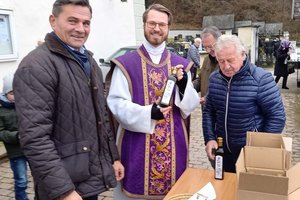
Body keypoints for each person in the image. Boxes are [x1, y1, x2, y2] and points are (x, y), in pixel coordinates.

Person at [13, 0, 124, 200]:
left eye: (86, 23)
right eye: (72, 21)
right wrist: (64, 191)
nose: (80, 29)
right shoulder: (36, 66)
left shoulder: (89, 62)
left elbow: (102, 118)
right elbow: (35, 138)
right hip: (63, 189)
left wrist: (113, 158)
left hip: (88, 181)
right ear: (53, 21)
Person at [106, 4, 199, 199]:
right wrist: (148, 113)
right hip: (137, 146)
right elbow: (116, 104)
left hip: (174, 146)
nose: (157, 28)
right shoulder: (126, 64)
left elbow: (189, 106)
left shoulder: (180, 64)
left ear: (168, 28)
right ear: (144, 25)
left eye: (162, 25)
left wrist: (182, 88)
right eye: (152, 23)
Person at [203, 34, 286, 173]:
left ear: (242, 54)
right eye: (221, 61)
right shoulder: (215, 79)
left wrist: (259, 148)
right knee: (224, 191)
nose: (226, 66)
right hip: (222, 151)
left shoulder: (261, 79)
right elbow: (209, 111)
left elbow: (277, 117)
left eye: (230, 60)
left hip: (248, 154)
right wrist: (209, 138)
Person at [0, 73, 29, 200]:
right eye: (12, 92)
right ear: (5, 93)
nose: (16, 95)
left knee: (41, 176)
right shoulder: (1, 110)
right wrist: (16, 136)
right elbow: (1, 132)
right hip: (16, 152)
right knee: (21, 181)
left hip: (32, 148)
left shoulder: (26, 105)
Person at [193, 26, 221, 109]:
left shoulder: (228, 62)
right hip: (206, 109)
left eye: (211, 46)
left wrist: (209, 97)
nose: (208, 51)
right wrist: (187, 87)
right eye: (205, 47)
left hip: (219, 110)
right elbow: (200, 80)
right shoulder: (206, 59)